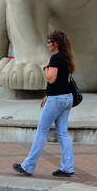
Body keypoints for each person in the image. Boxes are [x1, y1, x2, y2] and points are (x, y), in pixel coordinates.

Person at [13, 29, 75, 177]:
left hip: (57, 99)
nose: (47, 44)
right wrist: (48, 95)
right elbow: (60, 81)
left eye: (49, 42)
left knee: (41, 132)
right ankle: (67, 167)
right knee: (62, 133)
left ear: (56, 44)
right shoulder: (66, 58)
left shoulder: (55, 58)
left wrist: (45, 67)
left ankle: (28, 166)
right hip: (66, 98)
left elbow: (51, 79)